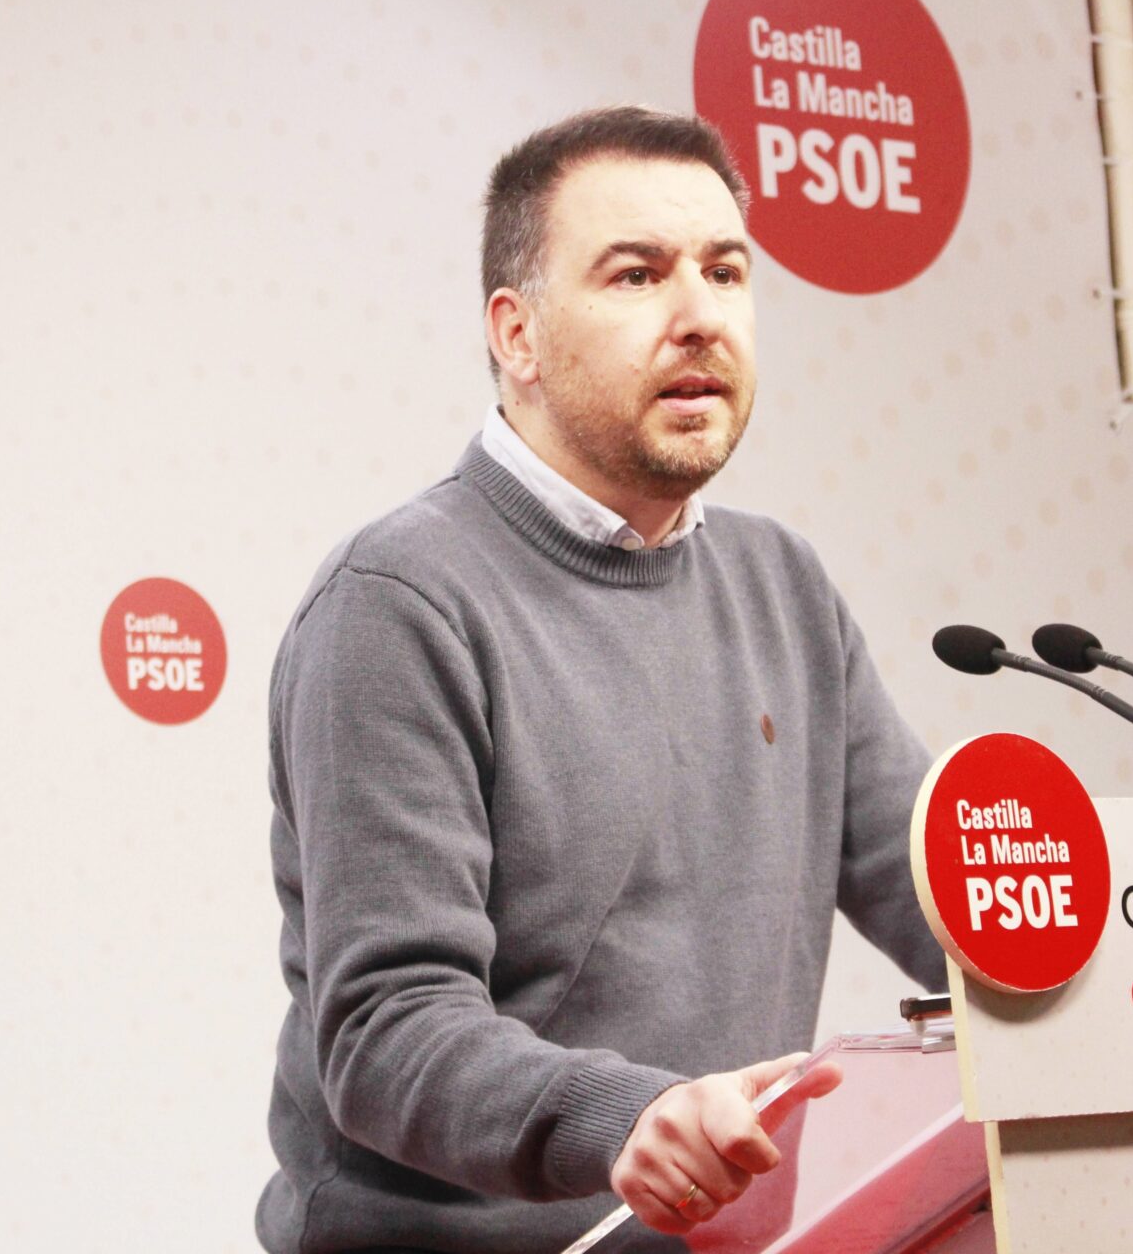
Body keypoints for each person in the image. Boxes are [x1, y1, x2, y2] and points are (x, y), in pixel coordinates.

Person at [256, 106, 946, 1254]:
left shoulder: (784, 584)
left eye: (726, 271)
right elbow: (386, 1030)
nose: (700, 315)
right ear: (517, 334)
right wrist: (627, 1113)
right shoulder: (399, 599)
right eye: (638, 274)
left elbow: (950, 903)